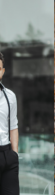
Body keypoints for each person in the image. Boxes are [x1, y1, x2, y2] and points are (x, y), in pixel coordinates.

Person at [0, 52, 19, 195]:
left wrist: (14, 154)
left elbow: (13, 126)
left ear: (3, 71)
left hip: (7, 156)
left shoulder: (10, 96)